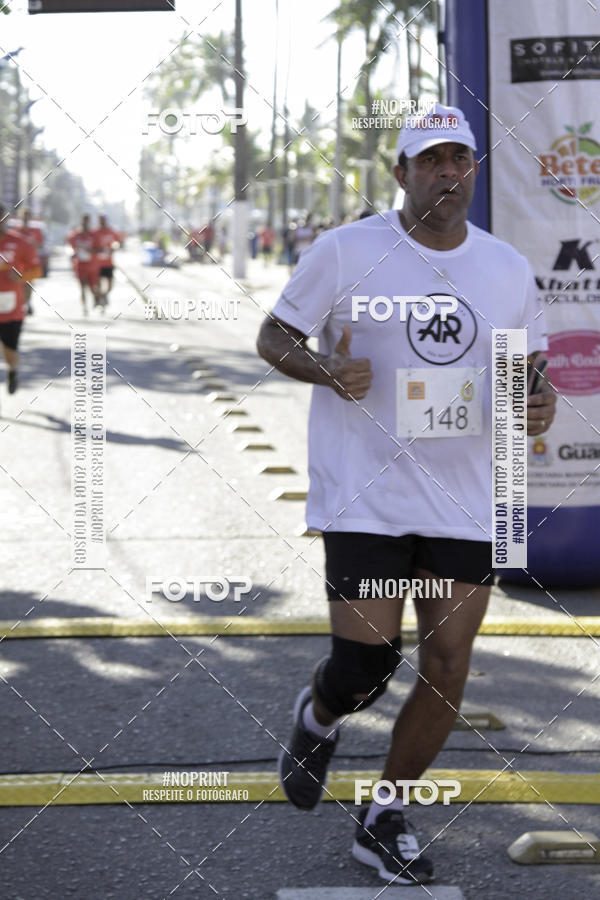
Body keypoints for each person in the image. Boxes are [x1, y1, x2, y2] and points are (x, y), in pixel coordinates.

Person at [257, 103, 557, 885]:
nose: (447, 174)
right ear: (401, 174)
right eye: (430, 161)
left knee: (449, 662)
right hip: (366, 491)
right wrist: (324, 369)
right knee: (365, 664)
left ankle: (384, 813)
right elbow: (275, 335)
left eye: (459, 160)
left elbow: (530, 375)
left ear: (474, 173)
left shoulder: (506, 269)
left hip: (465, 495)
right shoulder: (345, 250)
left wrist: (538, 402)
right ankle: (319, 716)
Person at [0, 202, 41, 394]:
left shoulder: (20, 242)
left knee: (9, 350)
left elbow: (36, 270)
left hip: (11, 308)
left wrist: (22, 276)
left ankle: (12, 370)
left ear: (5, 218)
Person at [68, 214, 100, 316]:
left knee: (92, 287)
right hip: (80, 264)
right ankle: (84, 307)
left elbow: (99, 249)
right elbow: (69, 246)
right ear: (81, 221)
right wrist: (71, 253)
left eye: (87, 221)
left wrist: (91, 250)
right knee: (82, 286)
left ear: (89, 222)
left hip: (91, 265)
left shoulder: (93, 235)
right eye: (83, 221)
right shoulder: (75, 235)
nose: (85, 223)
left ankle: (96, 298)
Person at [93, 214, 121, 308]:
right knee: (98, 284)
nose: (102, 222)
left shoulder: (111, 231)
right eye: (101, 220)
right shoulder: (95, 232)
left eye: (104, 220)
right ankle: (99, 300)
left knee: (110, 286)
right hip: (97, 264)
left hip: (108, 263)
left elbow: (117, 242)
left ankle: (104, 296)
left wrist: (114, 247)